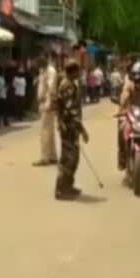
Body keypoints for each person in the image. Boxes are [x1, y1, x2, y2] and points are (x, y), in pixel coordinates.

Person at [54, 58, 89, 201]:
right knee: (69, 159)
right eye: (78, 70)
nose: (79, 73)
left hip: (70, 127)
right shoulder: (67, 86)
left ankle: (68, 185)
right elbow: (71, 110)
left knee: (73, 159)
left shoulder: (69, 84)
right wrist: (83, 130)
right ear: (73, 71)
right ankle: (61, 190)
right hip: (68, 128)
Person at [33, 55, 59, 166]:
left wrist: (49, 103)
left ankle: (44, 157)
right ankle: (52, 155)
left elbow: (51, 89)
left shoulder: (51, 71)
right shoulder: (43, 71)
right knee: (50, 131)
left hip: (47, 103)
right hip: (43, 102)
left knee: (45, 131)